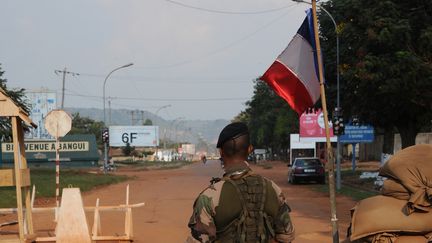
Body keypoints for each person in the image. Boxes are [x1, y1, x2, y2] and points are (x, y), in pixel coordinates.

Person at [188, 122, 295, 243]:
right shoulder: (273, 189)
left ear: (221, 152)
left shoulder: (209, 197)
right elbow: (286, 236)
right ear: (250, 149)